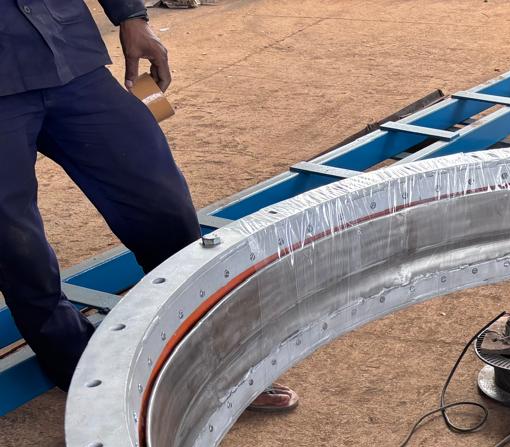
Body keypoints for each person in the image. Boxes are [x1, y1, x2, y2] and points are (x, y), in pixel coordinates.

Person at [0, 0, 297, 410]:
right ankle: (86, 376)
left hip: (68, 57)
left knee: (161, 206)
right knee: (16, 247)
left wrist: (131, 16)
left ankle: (214, 359)